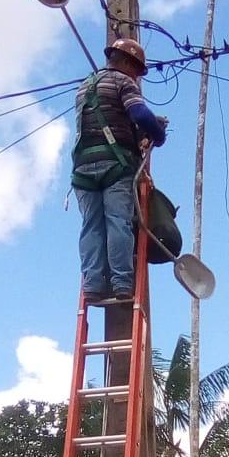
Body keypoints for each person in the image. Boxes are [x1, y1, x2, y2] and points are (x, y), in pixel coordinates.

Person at [72, 38, 168, 304]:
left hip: (82, 168)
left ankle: (91, 285)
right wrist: (157, 134)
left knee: (92, 226)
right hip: (115, 165)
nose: (137, 77)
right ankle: (122, 282)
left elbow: (108, 118)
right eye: (136, 70)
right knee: (118, 222)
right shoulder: (122, 82)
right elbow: (139, 114)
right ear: (125, 62)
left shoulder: (85, 86)